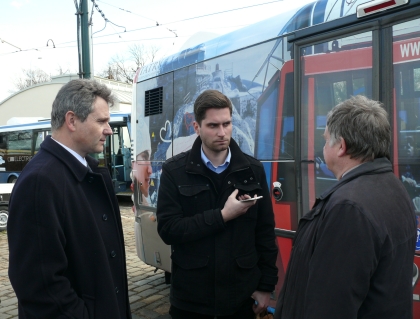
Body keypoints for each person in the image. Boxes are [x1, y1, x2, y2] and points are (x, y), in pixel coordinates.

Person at [275, 95, 417, 319]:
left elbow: (331, 305)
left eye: (325, 140)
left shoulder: (349, 209)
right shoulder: (393, 187)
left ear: (341, 146)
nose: (323, 147)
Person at [7, 79, 132, 319]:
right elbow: (39, 286)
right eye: (101, 121)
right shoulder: (40, 181)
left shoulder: (88, 171)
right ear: (72, 120)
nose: (109, 129)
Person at [156, 89, 278, 319]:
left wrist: (265, 287)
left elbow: (265, 233)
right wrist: (222, 216)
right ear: (197, 128)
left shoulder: (253, 170)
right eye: (213, 126)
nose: (222, 132)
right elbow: (169, 230)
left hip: (241, 300)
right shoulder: (174, 171)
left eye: (227, 124)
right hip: (192, 301)